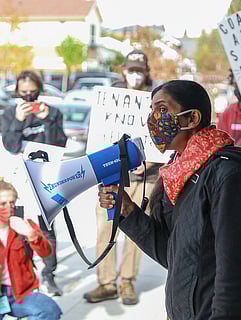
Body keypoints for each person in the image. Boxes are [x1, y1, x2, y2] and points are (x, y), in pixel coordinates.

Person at [97, 80, 241, 319]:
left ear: (192, 118)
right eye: (152, 111)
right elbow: (175, 257)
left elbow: (237, 277)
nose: (153, 120)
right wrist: (128, 213)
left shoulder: (232, 177)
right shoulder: (180, 172)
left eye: (162, 110)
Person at [84, 49, 161, 305]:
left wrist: (147, 162)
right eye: (131, 69)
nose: (135, 74)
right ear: (123, 70)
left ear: (146, 71)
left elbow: (162, 139)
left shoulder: (157, 98)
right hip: (111, 177)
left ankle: (127, 281)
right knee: (106, 228)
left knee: (136, 230)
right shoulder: (110, 97)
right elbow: (98, 137)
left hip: (145, 177)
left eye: (140, 70)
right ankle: (106, 283)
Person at [1, 70, 67, 296]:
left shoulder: (53, 113)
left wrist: (46, 120)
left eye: (32, 93)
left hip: (45, 179)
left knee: (47, 230)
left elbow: (58, 144)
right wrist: (18, 122)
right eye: (23, 93)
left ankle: (49, 274)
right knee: (19, 229)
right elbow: (9, 146)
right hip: (19, 180)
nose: (28, 97)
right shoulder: (11, 114)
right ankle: (24, 274)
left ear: (40, 91)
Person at [0, 174, 62, 320]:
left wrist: (31, 235)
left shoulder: (25, 225)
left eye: (12, 203)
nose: (9, 208)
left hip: (21, 292)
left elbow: (46, 252)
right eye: (2, 204)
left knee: (50, 310)